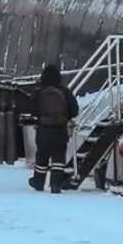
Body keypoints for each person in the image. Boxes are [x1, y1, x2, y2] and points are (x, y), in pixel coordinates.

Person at [28, 62, 79, 194]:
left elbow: (32, 109)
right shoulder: (64, 91)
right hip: (60, 131)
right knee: (58, 158)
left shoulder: (39, 91)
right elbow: (75, 110)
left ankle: (38, 182)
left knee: (41, 157)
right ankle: (56, 184)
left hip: (43, 130)